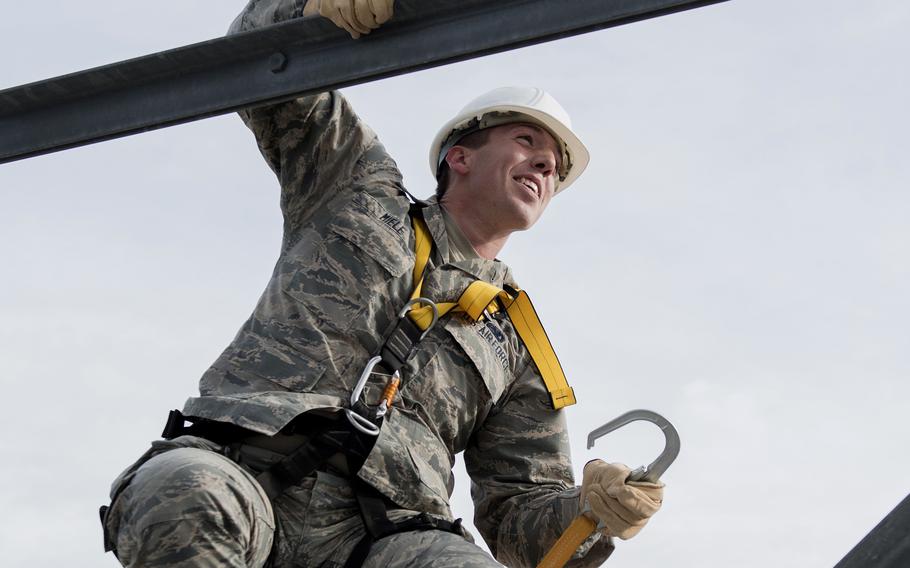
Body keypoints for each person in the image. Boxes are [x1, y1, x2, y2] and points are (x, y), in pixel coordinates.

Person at [100, 1, 665, 567]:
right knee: (188, 490)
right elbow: (265, 68)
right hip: (247, 470)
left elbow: (523, 527)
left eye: (554, 168)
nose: (545, 166)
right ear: (459, 156)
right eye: (527, 142)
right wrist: (311, 12)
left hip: (383, 539)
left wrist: (593, 514)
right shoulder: (355, 187)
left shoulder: (516, 345)